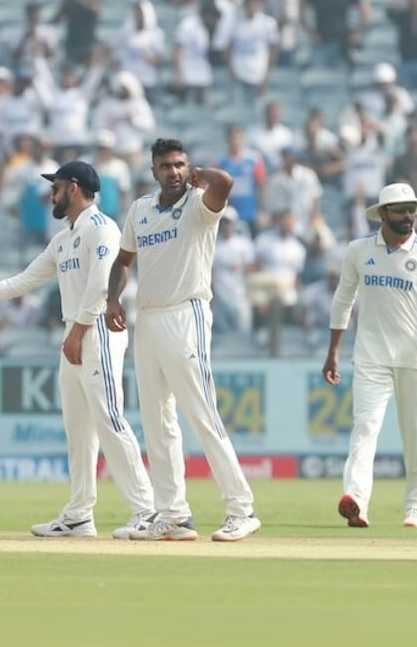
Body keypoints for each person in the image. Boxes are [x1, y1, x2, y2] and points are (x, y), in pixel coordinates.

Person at [0, 161, 157, 540]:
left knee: (108, 418)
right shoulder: (64, 236)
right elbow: (26, 280)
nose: (49, 193)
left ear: (72, 188)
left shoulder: (101, 229)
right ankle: (79, 514)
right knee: (78, 428)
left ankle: (146, 511)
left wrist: (78, 332)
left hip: (97, 331)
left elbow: (101, 288)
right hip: (76, 331)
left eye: (55, 186)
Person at [106, 138, 262, 542]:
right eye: (165, 166)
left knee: (201, 412)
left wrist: (201, 177)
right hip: (150, 317)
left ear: (188, 168)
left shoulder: (197, 204)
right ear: (153, 170)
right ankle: (173, 515)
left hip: (186, 312)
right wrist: (112, 300)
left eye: (179, 165)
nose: (173, 172)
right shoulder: (140, 210)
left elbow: (225, 183)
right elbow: (124, 261)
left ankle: (241, 510)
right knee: (157, 421)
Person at [323, 183, 417, 529]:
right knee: (364, 428)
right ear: (383, 214)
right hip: (370, 356)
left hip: (414, 357)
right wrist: (333, 351)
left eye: (412, 210)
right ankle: (357, 501)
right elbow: (343, 300)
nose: (408, 217)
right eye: (400, 210)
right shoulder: (359, 251)